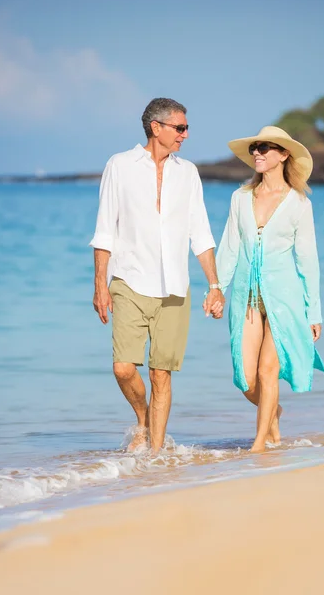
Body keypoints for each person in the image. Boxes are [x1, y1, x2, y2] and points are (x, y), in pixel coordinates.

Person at [90, 98, 224, 454]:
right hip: (130, 280)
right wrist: (99, 285)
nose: (185, 134)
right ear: (156, 127)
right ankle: (142, 417)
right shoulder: (119, 166)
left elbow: (202, 233)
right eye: (180, 128)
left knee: (160, 374)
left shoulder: (188, 172)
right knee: (123, 368)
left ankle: (155, 456)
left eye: (186, 128)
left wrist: (214, 286)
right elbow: (104, 231)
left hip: (175, 287)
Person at [215, 126, 324, 453]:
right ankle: (273, 411)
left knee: (268, 371)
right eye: (255, 148)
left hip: (285, 300)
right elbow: (229, 248)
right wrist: (216, 288)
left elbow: (308, 260)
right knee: (247, 379)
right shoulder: (240, 198)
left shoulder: (298, 203)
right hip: (246, 299)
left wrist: (314, 311)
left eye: (266, 147)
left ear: (284, 154)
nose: (258, 153)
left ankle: (259, 445)